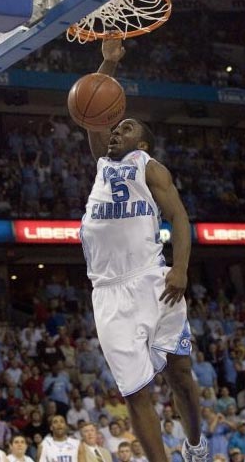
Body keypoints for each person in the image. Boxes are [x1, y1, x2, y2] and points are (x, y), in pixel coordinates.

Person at [75, 36, 208, 462]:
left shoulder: (147, 167)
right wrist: (106, 62)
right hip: (109, 292)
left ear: (143, 144)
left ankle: (195, 445)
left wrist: (180, 269)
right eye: (115, 128)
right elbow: (96, 110)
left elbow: (181, 218)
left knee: (180, 374)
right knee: (136, 393)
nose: (116, 131)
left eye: (126, 128)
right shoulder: (104, 162)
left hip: (153, 279)